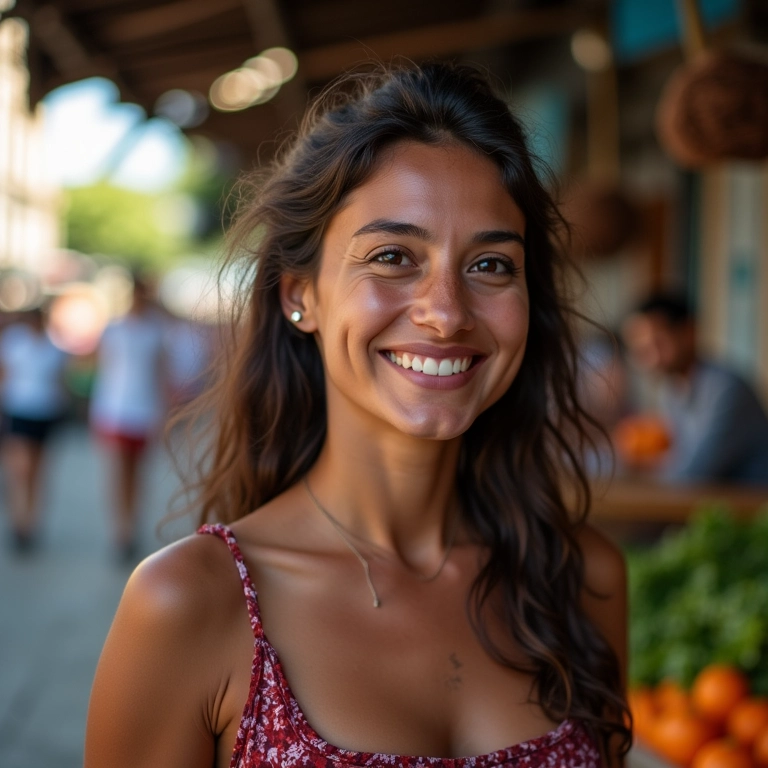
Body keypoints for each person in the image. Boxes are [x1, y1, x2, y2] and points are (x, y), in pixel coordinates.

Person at [84, 63, 630, 767]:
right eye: (394, 256)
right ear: (300, 295)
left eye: (491, 265)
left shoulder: (583, 581)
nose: (446, 313)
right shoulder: (192, 604)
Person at [621, 292, 768, 485]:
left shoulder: (726, 390)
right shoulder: (673, 390)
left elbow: (695, 473)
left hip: (750, 508)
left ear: (688, 332)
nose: (651, 357)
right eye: (641, 349)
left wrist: (642, 468)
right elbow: (678, 459)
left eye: (658, 342)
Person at [89, 276, 169, 560]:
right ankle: (119, 529)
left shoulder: (155, 331)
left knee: (137, 474)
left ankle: (132, 525)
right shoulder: (113, 329)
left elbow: (162, 374)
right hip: (114, 410)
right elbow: (102, 371)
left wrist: (164, 412)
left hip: (144, 411)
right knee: (117, 472)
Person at [0, 306, 68, 550]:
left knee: (37, 472)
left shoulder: (55, 348)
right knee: (20, 468)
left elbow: (60, 382)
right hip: (18, 410)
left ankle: (30, 521)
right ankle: (19, 520)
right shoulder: (14, 342)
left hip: (45, 413)